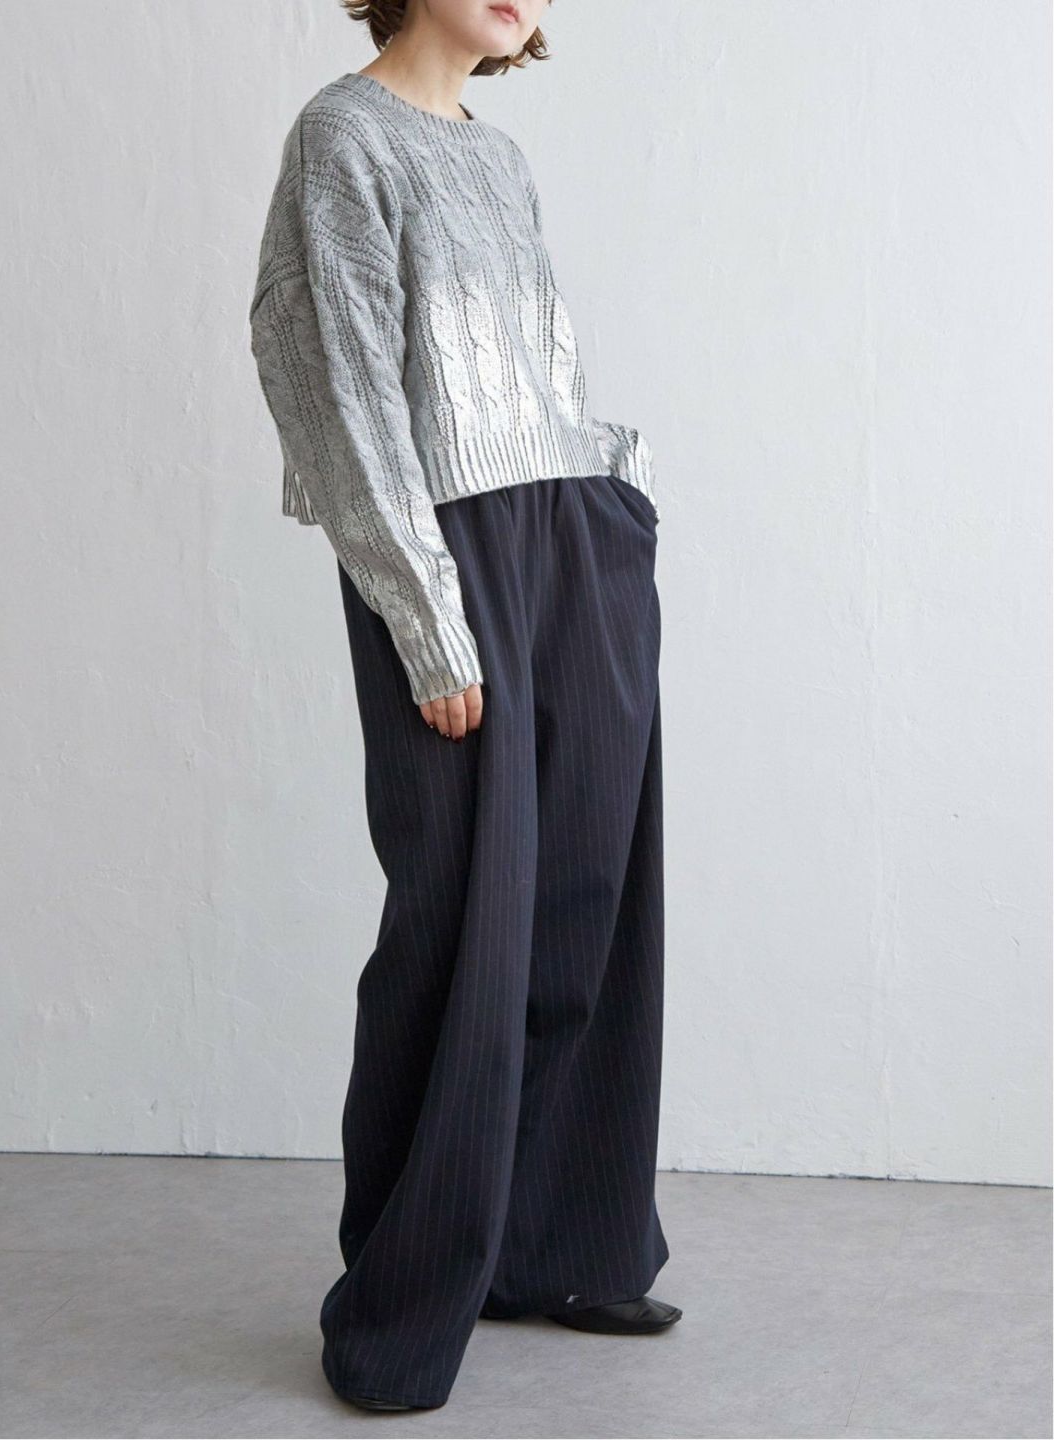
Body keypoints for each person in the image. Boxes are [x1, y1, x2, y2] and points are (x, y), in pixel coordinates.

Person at [248, 0, 680, 1412]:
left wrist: (616, 494)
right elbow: (336, 388)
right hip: (456, 551)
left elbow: (532, 368)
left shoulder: (496, 157)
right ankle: (406, 1294)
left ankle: (560, 1244)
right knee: (460, 924)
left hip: (570, 537)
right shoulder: (343, 136)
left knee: (587, 901)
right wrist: (428, 619)